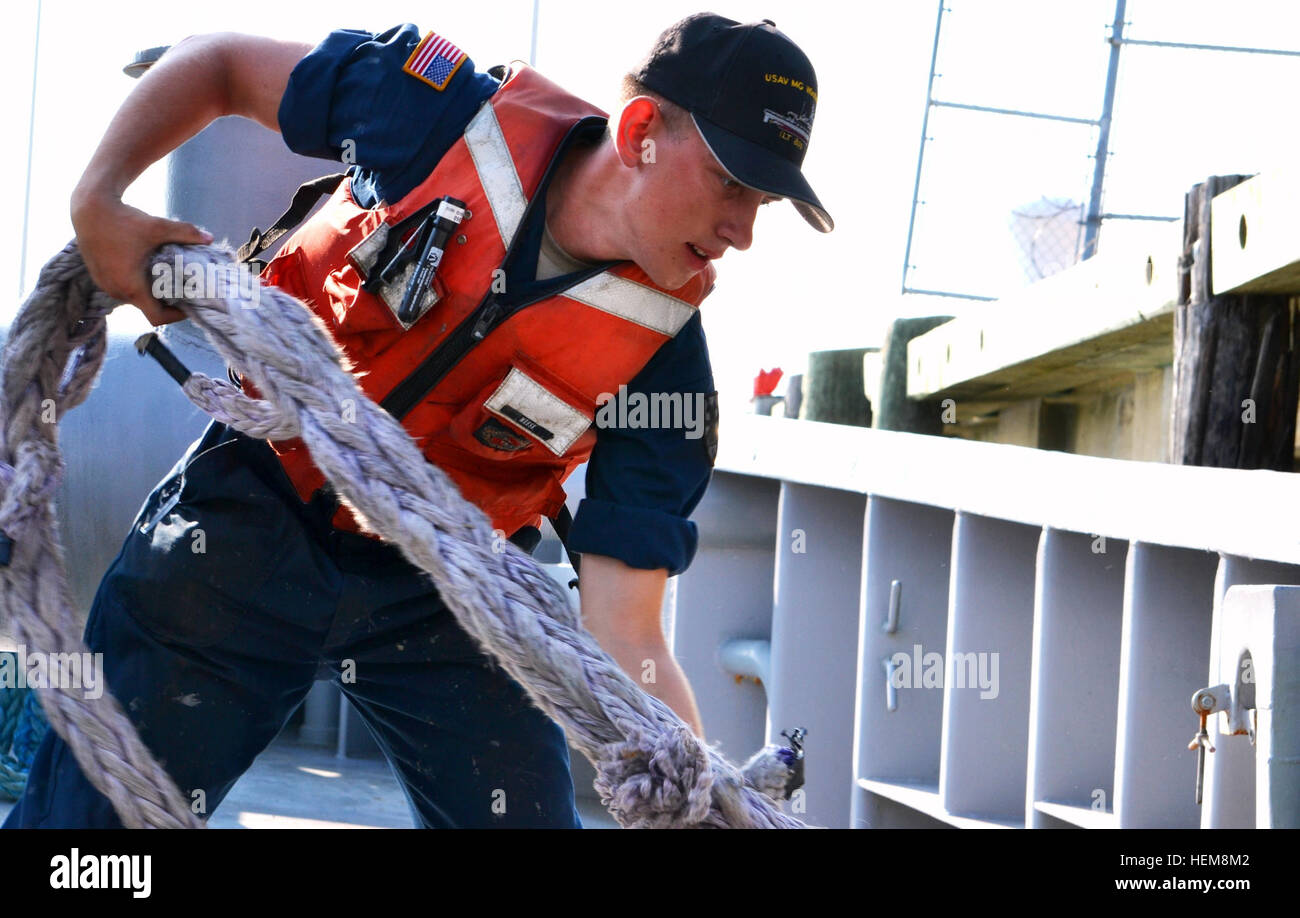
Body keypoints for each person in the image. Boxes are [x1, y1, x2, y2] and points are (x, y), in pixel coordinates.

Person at [5, 12, 831, 829]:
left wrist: (700, 801)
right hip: (249, 522)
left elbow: (627, 624)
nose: (745, 233)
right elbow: (218, 64)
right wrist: (99, 200)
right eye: (733, 184)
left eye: (763, 202)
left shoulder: (668, 363)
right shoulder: (433, 114)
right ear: (643, 128)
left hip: (454, 601)